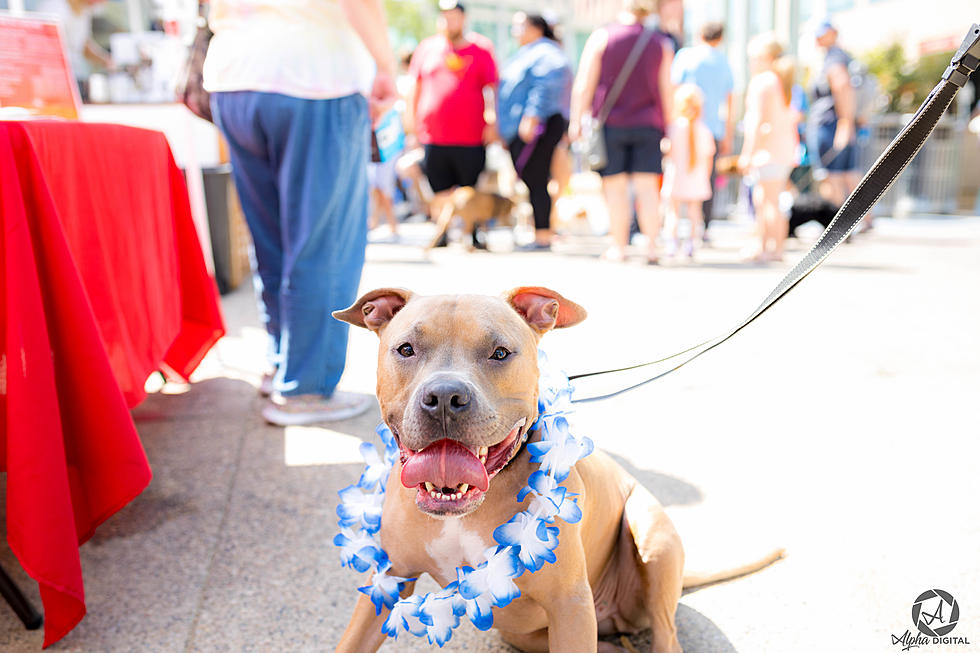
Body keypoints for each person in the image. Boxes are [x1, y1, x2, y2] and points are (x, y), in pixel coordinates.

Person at [203, 0, 396, 425]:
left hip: (233, 78)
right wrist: (386, 64)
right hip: (313, 75)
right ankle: (306, 388)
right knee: (324, 243)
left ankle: (282, 362)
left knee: (270, 237)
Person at [569, 0, 674, 264]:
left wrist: (576, 121)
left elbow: (584, 83)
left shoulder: (602, 36)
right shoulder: (660, 42)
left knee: (614, 189)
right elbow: (667, 89)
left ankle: (619, 246)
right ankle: (651, 247)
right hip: (649, 124)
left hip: (610, 124)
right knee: (648, 189)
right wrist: (670, 128)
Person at [406, 0, 498, 241]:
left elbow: (492, 89)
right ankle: (443, 231)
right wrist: (411, 126)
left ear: (464, 19)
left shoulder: (481, 48)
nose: (449, 22)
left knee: (471, 187)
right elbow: (414, 88)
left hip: (470, 135)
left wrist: (493, 122)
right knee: (439, 186)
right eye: (445, 16)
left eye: (454, 17)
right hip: (434, 135)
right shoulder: (427, 48)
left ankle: (474, 232)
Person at [498, 12, 572, 250]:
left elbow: (545, 86)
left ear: (536, 28)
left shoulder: (546, 53)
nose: (514, 31)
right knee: (533, 179)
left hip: (538, 125)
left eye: (519, 26)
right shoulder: (527, 53)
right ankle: (540, 231)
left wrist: (532, 116)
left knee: (537, 178)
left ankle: (543, 235)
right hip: (523, 126)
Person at [738, 34, 798, 263]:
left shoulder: (763, 82)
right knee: (772, 200)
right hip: (782, 149)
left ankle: (765, 248)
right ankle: (775, 249)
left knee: (765, 201)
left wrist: (747, 154)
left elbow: (757, 123)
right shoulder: (780, 81)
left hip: (767, 151)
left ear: (766, 58)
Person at [671, 20, 734, 236]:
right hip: (711, 129)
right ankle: (703, 226)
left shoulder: (685, 57)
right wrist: (728, 134)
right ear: (720, 38)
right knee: (706, 179)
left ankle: (673, 224)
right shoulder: (724, 62)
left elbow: (673, 90)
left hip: (681, 128)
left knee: (675, 174)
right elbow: (730, 102)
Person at [809, 18, 862, 225]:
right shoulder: (843, 57)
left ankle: (836, 226)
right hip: (839, 124)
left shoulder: (834, 59)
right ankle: (862, 221)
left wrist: (845, 123)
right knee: (848, 174)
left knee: (831, 177)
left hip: (830, 125)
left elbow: (843, 88)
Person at [662, 84, 715, 257]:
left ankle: (671, 243)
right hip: (697, 178)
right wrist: (705, 177)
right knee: (694, 213)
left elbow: (667, 152)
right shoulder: (705, 131)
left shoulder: (674, 128)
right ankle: (691, 244)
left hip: (676, 176)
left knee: (673, 212)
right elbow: (709, 158)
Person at [35, 0, 113, 95]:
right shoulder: (55, 7)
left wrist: (106, 60)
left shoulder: (84, 10)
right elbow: (44, 44)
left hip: (76, 78)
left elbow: (83, 44)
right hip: (56, 81)